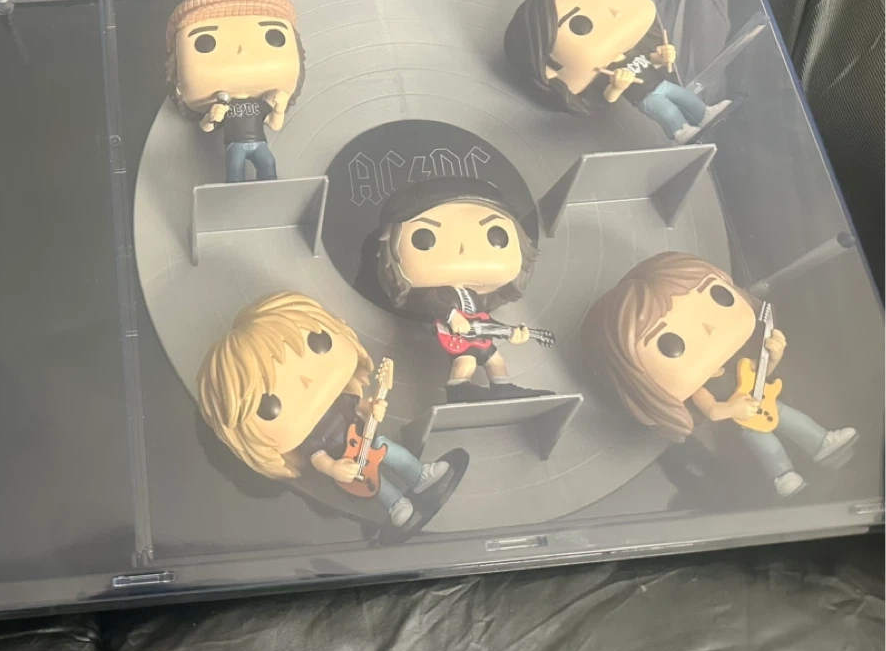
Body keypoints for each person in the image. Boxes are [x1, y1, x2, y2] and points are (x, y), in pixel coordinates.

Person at [583, 251, 856, 496]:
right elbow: (713, 412)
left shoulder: (737, 360)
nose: (709, 329)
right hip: (745, 420)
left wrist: (774, 356)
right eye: (670, 344)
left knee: (796, 421)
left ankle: (822, 442)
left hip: (767, 400)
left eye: (718, 296)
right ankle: (783, 475)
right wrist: (733, 408)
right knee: (768, 447)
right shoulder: (700, 389)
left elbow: (760, 371)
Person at [197, 292, 457, 527]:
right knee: (371, 482)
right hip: (343, 459)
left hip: (365, 439)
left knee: (385, 447)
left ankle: (420, 474)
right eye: (268, 405)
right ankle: (395, 504)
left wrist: (372, 407)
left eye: (318, 342)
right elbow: (317, 458)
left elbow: (359, 405)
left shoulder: (340, 400)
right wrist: (333, 468)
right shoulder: (310, 438)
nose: (305, 381)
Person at [503, 0, 730, 143]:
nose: (615, 13)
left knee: (685, 97)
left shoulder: (631, 50)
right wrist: (617, 86)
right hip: (646, 97)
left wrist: (662, 57)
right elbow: (609, 98)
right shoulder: (607, 69)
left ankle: (705, 113)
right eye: (579, 25)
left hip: (661, 83)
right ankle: (681, 131)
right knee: (668, 112)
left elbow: (650, 62)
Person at [374, 177, 550, 402]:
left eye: (496, 235)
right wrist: (451, 316)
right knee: (465, 362)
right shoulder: (437, 294)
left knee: (496, 361)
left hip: (479, 338)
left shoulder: (474, 295)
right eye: (424, 238)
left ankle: (503, 388)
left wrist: (511, 333)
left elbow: (483, 319)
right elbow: (430, 304)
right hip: (457, 337)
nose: (464, 249)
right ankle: (458, 390)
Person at [165, 0, 304, 182]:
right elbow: (206, 127)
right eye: (204, 42)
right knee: (235, 168)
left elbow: (274, 124)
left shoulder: (260, 104)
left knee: (268, 163)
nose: (242, 51)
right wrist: (211, 117)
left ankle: (269, 188)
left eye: (274, 36)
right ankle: (234, 191)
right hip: (235, 145)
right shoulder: (224, 106)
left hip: (259, 143)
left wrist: (279, 109)